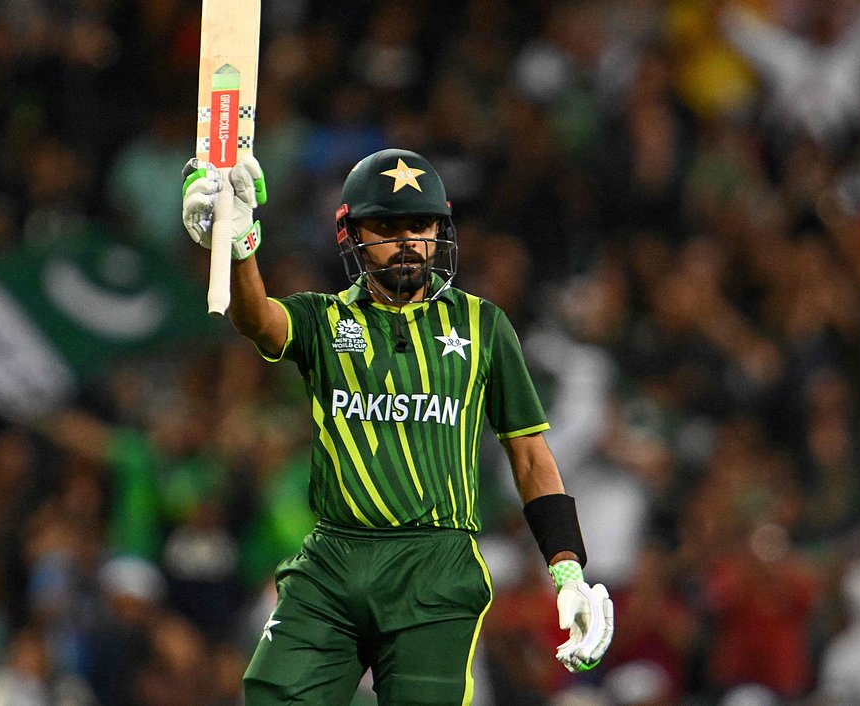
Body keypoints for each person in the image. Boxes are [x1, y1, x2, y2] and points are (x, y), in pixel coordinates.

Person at [181, 148, 614, 703]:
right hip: (333, 563)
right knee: (270, 695)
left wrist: (568, 571)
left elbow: (531, 457)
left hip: (435, 568)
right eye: (387, 226)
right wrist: (239, 249)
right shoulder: (324, 318)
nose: (408, 240)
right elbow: (259, 320)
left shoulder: (484, 325)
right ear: (351, 233)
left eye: (421, 225)